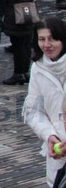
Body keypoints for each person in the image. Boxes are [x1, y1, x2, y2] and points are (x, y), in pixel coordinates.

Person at [23, 16, 66, 187]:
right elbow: (33, 111)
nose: (47, 45)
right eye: (42, 39)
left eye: (52, 39)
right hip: (58, 156)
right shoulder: (38, 68)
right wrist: (50, 135)